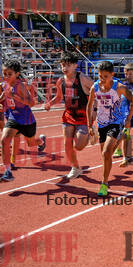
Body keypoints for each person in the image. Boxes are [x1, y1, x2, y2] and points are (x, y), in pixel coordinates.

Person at [86, 61, 133, 196]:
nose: (102, 79)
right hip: (101, 123)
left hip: (116, 121)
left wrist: (128, 119)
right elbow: (89, 105)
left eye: (105, 76)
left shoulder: (120, 87)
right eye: (100, 76)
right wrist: (89, 124)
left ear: (112, 75)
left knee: (106, 152)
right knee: (105, 155)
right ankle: (121, 138)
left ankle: (104, 183)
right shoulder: (95, 87)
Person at [0, 59, 46, 182]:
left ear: (17, 74)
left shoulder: (20, 86)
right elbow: (1, 93)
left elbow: (31, 103)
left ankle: (41, 141)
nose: (6, 76)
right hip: (13, 118)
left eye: (9, 74)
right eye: (4, 74)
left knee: (31, 143)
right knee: (4, 140)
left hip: (26, 120)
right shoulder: (4, 84)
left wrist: (15, 96)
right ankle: (7, 171)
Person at [43, 52, 94, 180]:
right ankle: (75, 168)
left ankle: (91, 133)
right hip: (69, 115)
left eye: (68, 65)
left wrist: (96, 108)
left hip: (83, 116)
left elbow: (97, 90)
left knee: (79, 146)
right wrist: (50, 103)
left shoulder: (83, 78)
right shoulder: (60, 81)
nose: (64, 68)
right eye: (62, 65)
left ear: (75, 65)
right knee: (67, 144)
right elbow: (59, 97)